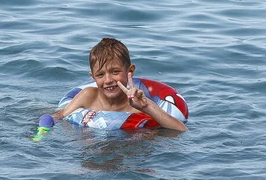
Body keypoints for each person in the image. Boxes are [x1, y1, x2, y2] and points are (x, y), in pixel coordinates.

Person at [52, 38, 188, 132]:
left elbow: (181, 129)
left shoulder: (138, 107)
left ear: (130, 71)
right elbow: (60, 115)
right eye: (100, 75)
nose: (108, 80)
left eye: (115, 72)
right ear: (93, 77)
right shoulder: (88, 96)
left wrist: (146, 106)